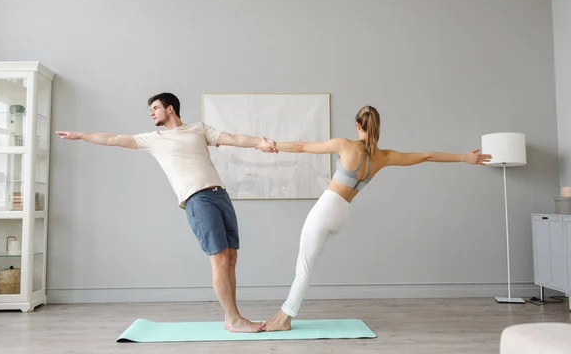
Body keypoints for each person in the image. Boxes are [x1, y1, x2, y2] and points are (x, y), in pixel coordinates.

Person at [56, 92, 278, 333]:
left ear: (170, 108)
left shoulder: (198, 129)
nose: (151, 113)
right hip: (196, 198)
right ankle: (233, 319)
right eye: (150, 109)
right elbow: (114, 138)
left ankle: (233, 317)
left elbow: (233, 138)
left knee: (231, 256)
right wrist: (80, 135)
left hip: (220, 195)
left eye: (155, 108)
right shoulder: (154, 139)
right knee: (219, 258)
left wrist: (259, 142)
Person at [258, 105, 492, 331]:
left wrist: (272, 145)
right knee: (305, 265)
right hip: (343, 213)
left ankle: (284, 318)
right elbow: (425, 156)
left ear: (357, 124)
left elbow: (301, 146)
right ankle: (283, 315)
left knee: (304, 266)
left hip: (327, 208)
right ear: (378, 127)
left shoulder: (345, 145)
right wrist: (463, 157)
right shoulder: (384, 156)